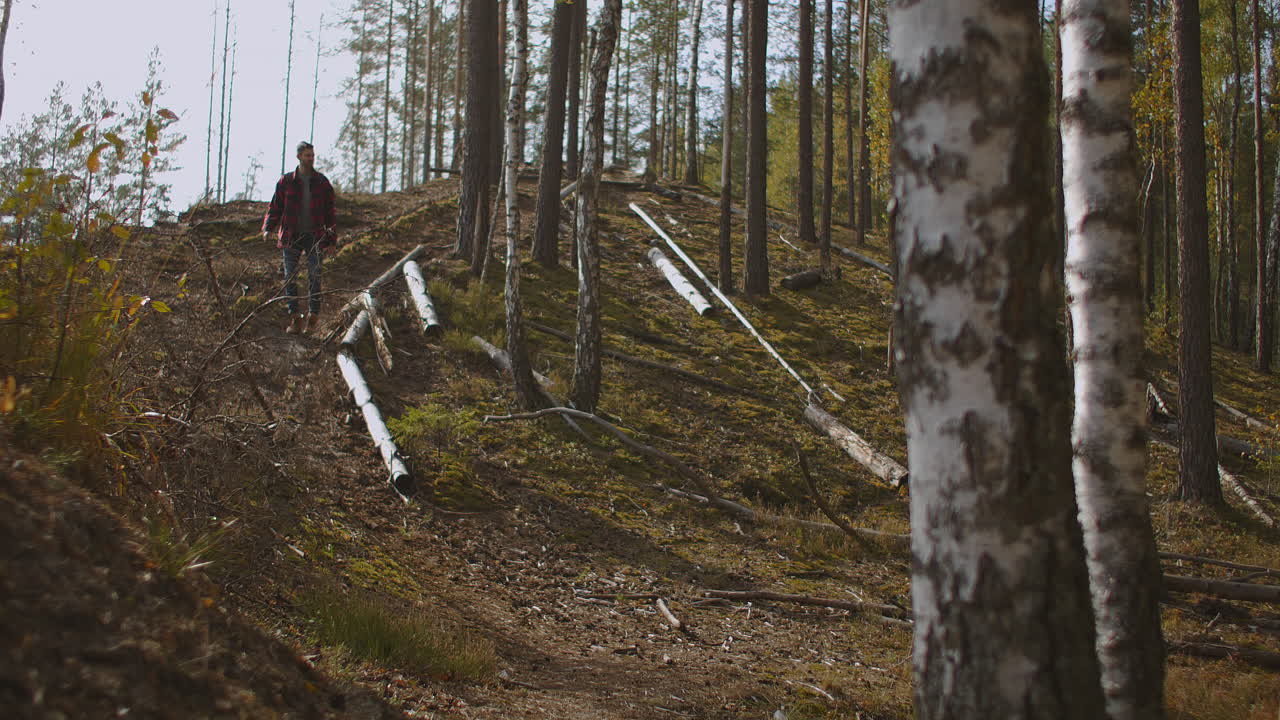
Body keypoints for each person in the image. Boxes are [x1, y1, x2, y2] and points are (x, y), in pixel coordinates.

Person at [262, 141, 338, 334]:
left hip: (315, 235)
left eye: (312, 155)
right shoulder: (286, 181)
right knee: (290, 277)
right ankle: (295, 318)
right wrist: (268, 228)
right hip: (291, 235)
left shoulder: (322, 182)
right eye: (307, 155)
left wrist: (331, 240)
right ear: (299, 157)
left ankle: (313, 317)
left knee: (315, 275)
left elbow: (330, 213)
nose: (311, 158)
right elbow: (275, 206)